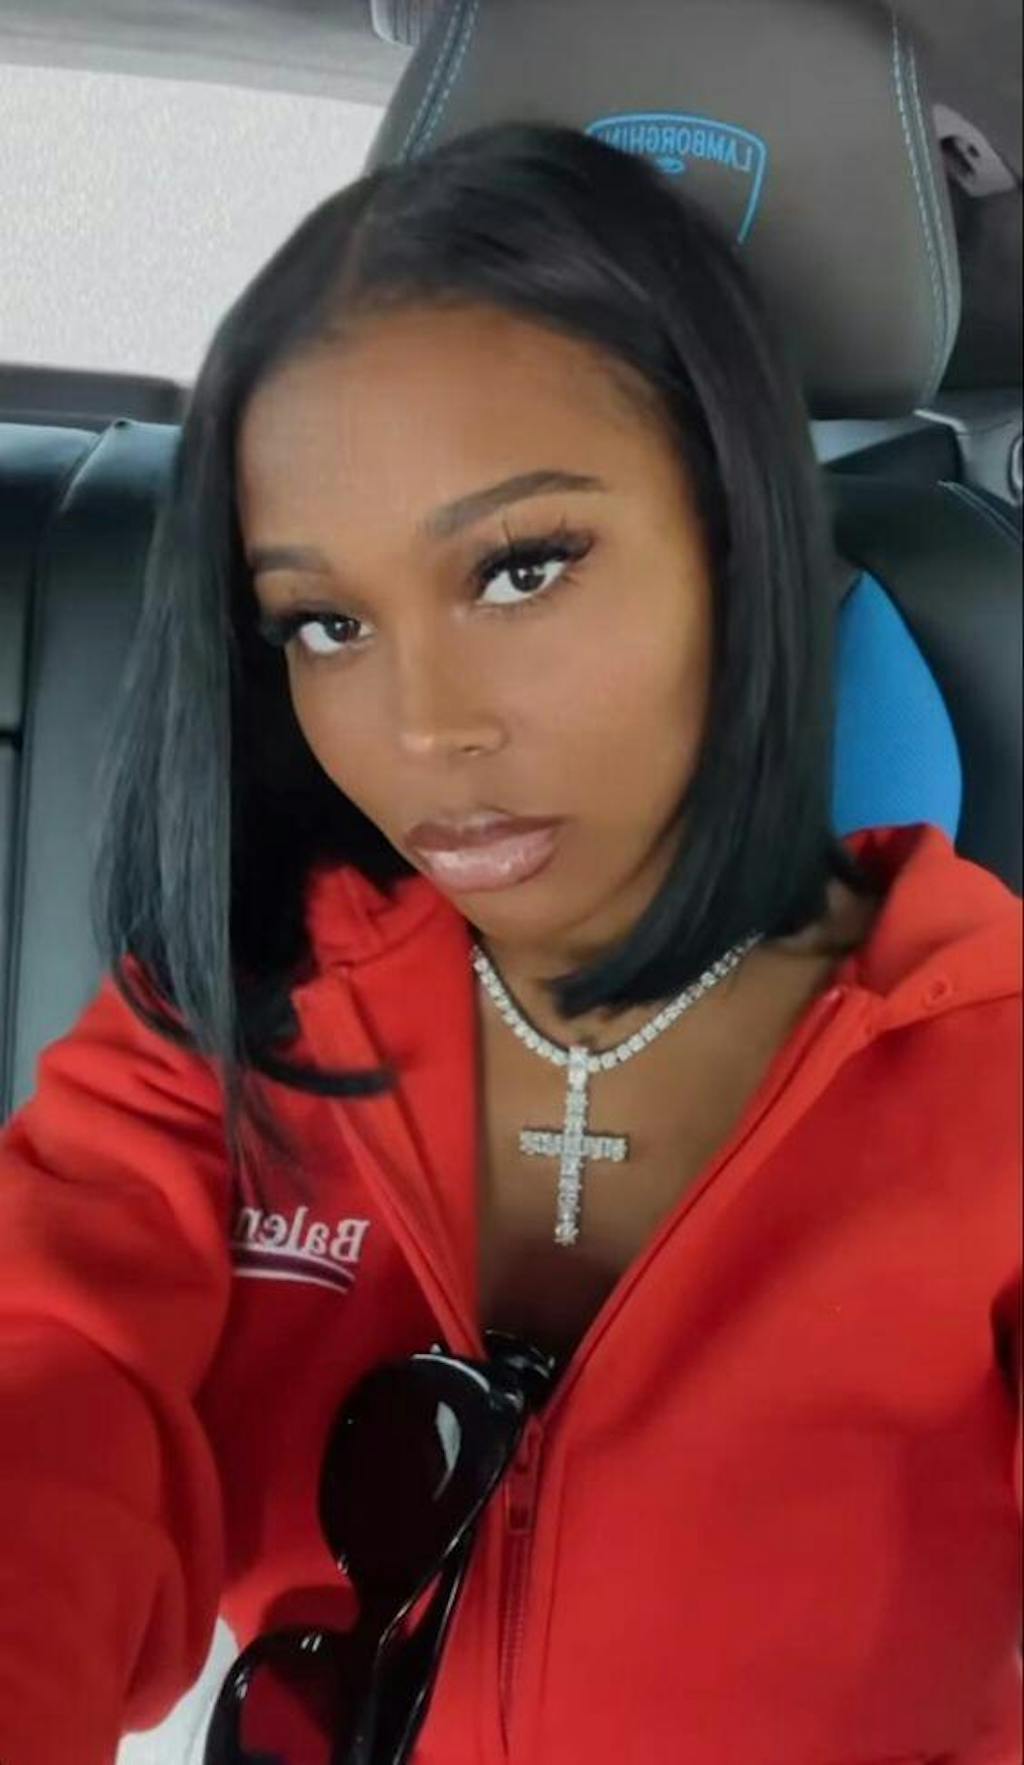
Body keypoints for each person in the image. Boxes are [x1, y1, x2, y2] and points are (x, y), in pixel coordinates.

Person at [0, 121, 1019, 1765]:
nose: (424, 727)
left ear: (736, 534)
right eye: (326, 622)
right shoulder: (229, 1026)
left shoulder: (988, 1061)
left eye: (521, 568)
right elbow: (50, 1384)